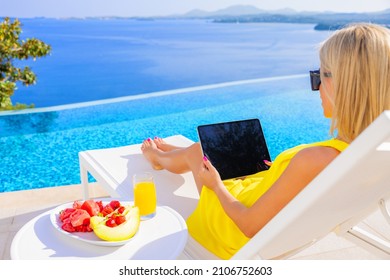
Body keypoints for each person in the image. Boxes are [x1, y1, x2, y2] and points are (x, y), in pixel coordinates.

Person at [141, 23, 390, 259]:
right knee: (204, 152)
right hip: (261, 198)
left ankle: (158, 158)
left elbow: (249, 225)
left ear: (347, 85)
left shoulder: (316, 159)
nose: (316, 85)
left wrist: (215, 185)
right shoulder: (364, 150)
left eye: (321, 75)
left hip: (231, 229)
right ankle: (171, 153)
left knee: (200, 155)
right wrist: (281, 170)